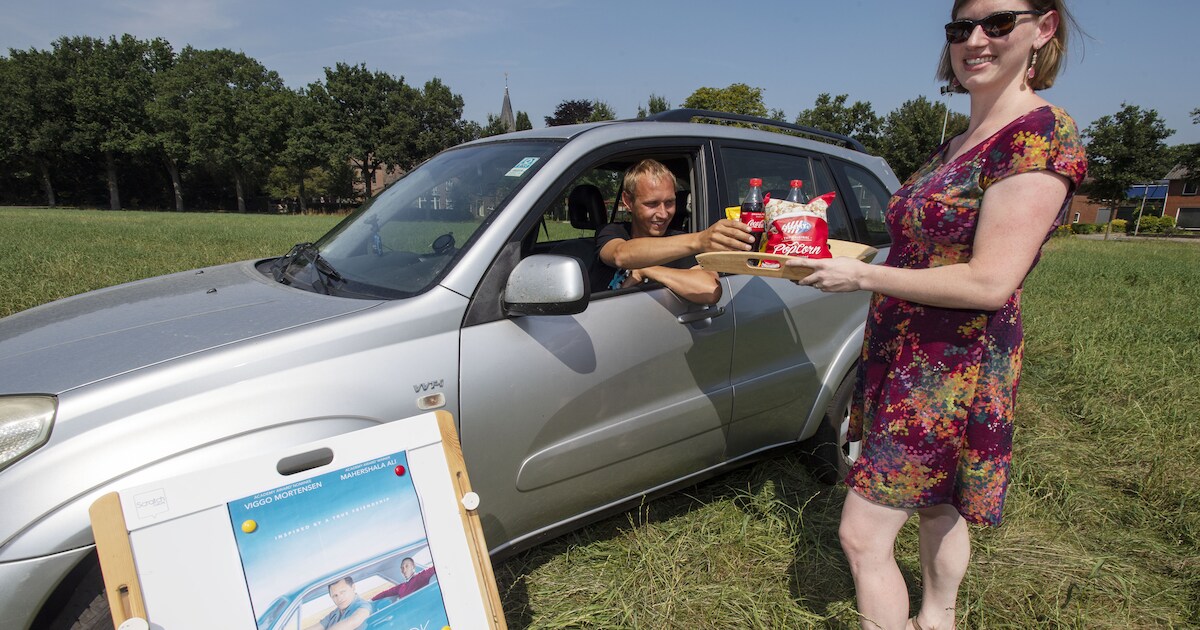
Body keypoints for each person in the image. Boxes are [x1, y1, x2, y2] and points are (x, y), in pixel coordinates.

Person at [787, 2, 1087, 629]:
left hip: (949, 369)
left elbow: (990, 281)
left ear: (1044, 28)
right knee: (936, 504)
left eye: (997, 23)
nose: (975, 39)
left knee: (861, 535)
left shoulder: (1039, 135)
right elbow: (921, 248)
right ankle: (937, 620)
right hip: (904, 352)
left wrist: (862, 276)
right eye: (960, 28)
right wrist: (833, 253)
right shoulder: (957, 143)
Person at [591, 159, 754, 303]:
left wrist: (647, 270)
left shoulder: (682, 244)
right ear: (628, 201)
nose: (663, 214)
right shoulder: (613, 232)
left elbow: (710, 291)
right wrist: (699, 240)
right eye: (652, 204)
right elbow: (620, 255)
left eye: (669, 202)